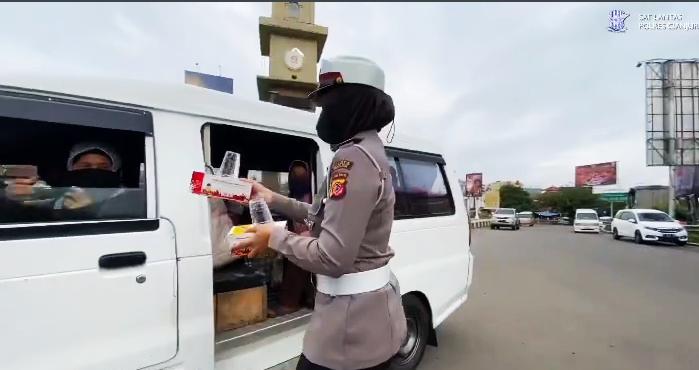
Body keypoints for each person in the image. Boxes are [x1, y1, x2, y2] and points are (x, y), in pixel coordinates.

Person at [233, 56, 407, 370]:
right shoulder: (366, 151)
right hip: (365, 322)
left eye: (328, 106)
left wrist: (273, 236)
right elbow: (321, 215)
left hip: (349, 334)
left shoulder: (352, 158)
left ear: (354, 102)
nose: (323, 115)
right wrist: (273, 197)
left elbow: (332, 257)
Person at [270, 160, 314, 317]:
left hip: (312, 239)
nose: (297, 178)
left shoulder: (313, 195)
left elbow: (313, 220)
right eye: (294, 175)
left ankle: (289, 303)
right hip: (298, 236)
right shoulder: (294, 195)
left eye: (301, 175)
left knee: (297, 255)